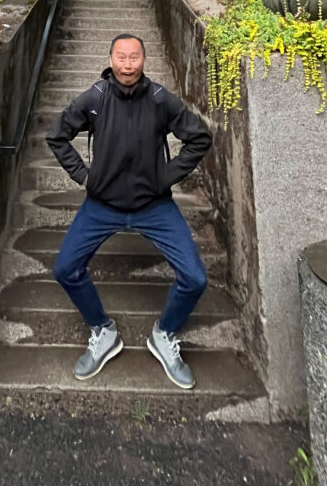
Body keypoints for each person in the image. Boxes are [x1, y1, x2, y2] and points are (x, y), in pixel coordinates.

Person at [46, 32, 213, 390]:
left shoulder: (159, 100)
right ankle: (103, 331)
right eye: (121, 57)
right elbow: (57, 135)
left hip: (153, 206)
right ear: (111, 59)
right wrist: (84, 177)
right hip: (102, 205)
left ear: (143, 60)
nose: (127, 64)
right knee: (65, 268)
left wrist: (164, 176)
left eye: (133, 57)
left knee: (196, 278)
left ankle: (164, 333)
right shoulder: (96, 97)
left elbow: (199, 137)